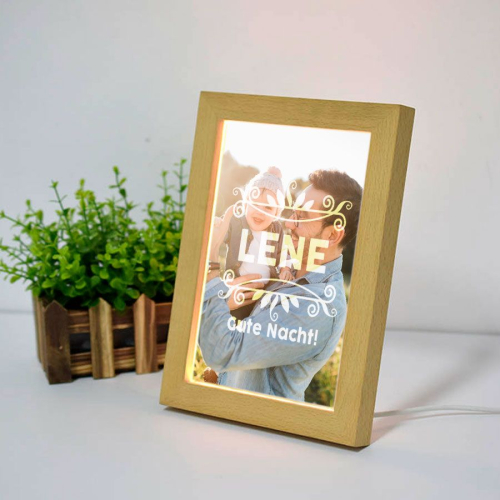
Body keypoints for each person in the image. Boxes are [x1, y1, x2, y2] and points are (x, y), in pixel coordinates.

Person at [199, 169, 363, 402]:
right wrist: (225, 300)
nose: (289, 223)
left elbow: (224, 351)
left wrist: (211, 260)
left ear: (332, 235)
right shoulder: (286, 267)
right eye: (293, 212)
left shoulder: (318, 305)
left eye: (302, 217)